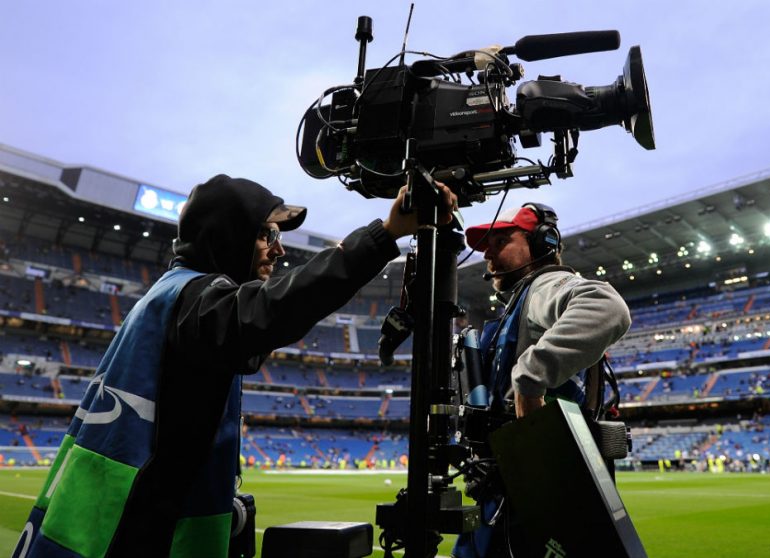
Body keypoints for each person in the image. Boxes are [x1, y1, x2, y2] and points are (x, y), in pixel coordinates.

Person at [14, 174, 456, 557]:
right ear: (228, 236)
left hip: (113, 512)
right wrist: (384, 234)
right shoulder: (194, 301)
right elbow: (275, 311)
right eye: (267, 235)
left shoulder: (175, 297)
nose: (279, 250)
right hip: (123, 530)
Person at [452, 203, 631, 558]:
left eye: (500, 241)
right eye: (486, 247)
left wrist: (530, 378)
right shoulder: (520, 302)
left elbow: (608, 306)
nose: (489, 254)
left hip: (531, 488)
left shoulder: (544, 284)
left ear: (542, 243)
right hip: (510, 485)